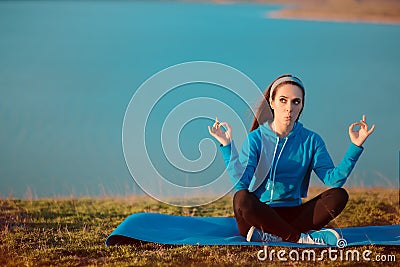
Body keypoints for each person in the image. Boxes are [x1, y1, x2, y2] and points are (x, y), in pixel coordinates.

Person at [208, 74, 375, 245]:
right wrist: (227, 145)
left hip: (295, 213)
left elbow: (334, 180)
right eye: (283, 100)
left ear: (302, 106)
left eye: (296, 102)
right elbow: (241, 184)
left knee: (339, 195)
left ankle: (274, 235)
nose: (289, 108)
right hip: (260, 213)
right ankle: (301, 238)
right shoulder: (256, 139)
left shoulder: (311, 140)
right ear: (272, 102)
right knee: (241, 198)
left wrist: (355, 146)